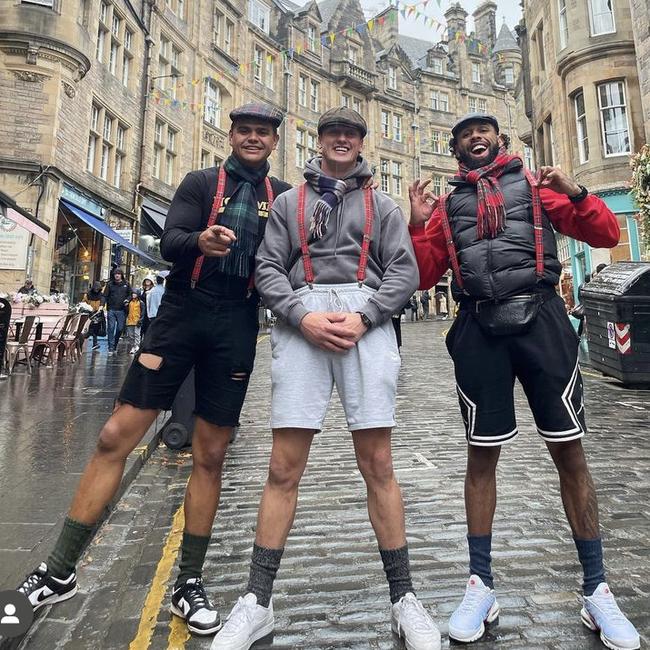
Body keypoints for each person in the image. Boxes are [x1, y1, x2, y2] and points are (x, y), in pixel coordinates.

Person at [16, 102, 291, 637]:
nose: (254, 138)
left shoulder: (279, 197)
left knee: (210, 454)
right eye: (245, 130)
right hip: (182, 315)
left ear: (274, 142)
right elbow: (169, 243)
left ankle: (188, 581)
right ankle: (58, 570)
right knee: (115, 435)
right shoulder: (199, 182)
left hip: (237, 323)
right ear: (230, 135)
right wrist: (201, 242)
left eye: (263, 132)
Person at [408, 112, 639, 650]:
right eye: (464, 136)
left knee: (569, 453)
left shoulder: (538, 190)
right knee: (480, 456)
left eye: (482, 131)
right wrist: (421, 225)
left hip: (542, 320)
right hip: (478, 328)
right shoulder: (446, 208)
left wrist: (577, 191)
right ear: (456, 152)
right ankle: (480, 584)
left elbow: (604, 231)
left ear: (501, 140)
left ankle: (596, 588)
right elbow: (423, 277)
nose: (475, 139)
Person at [212, 107, 440, 650]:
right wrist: (300, 314)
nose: (342, 140)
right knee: (282, 467)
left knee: (379, 465)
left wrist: (365, 315)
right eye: (332, 133)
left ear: (361, 143)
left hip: (366, 322)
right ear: (318, 142)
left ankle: (404, 599)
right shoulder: (289, 203)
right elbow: (267, 266)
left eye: (351, 134)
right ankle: (257, 603)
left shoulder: (381, 206)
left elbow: (404, 271)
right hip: (302, 322)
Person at [103, 268, 131, 355]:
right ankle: (110, 347)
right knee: (110, 328)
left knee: (120, 328)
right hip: (111, 309)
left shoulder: (126, 284)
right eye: (115, 274)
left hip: (121, 310)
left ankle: (115, 344)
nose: (117, 275)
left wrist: (127, 300)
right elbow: (104, 296)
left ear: (121, 275)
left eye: (119, 274)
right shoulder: (110, 284)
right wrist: (101, 305)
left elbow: (131, 294)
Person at [82, 281, 105, 350]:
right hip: (90, 313)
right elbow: (84, 302)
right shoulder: (88, 295)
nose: (96, 290)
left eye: (98, 289)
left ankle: (93, 342)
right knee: (91, 328)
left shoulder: (101, 295)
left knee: (95, 329)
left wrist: (101, 307)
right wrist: (87, 308)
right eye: (95, 288)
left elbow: (103, 302)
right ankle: (92, 341)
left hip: (98, 314)